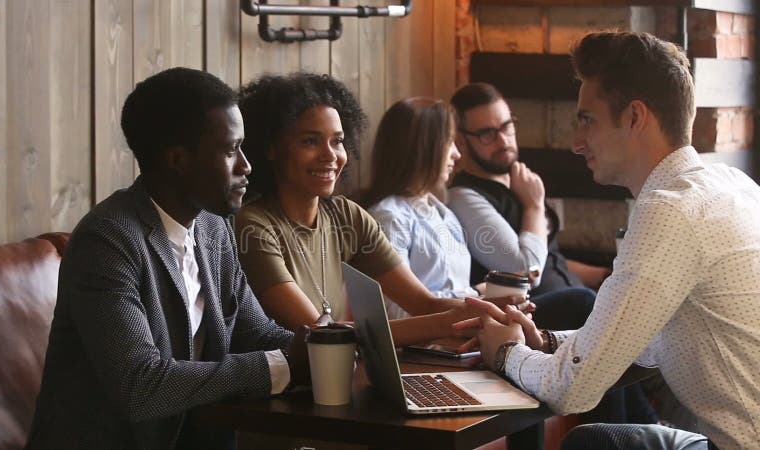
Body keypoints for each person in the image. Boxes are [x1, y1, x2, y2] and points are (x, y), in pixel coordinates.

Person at [462, 31, 760, 449]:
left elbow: (574, 389)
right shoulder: (731, 184)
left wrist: (506, 353)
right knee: (598, 440)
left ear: (635, 117)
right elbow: (649, 340)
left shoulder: (671, 212)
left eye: (587, 120)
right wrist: (544, 341)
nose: (576, 142)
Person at [27, 68, 305, 449]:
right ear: (177, 159)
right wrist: (280, 366)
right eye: (230, 150)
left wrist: (324, 347)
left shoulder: (212, 227)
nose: (246, 166)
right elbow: (139, 385)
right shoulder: (107, 241)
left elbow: (254, 334)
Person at [235, 73, 516, 346]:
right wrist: (448, 322)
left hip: (336, 381)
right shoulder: (253, 225)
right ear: (271, 148)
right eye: (310, 141)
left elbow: (424, 303)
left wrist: (487, 311)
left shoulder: (346, 216)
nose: (330, 155)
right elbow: (321, 336)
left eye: (337, 141)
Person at [362, 96, 595, 331]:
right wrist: (482, 304)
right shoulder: (390, 217)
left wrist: (482, 295)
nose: (456, 154)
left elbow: (459, 288)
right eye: (449, 142)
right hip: (444, 335)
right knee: (581, 302)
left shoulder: (443, 213)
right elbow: (394, 313)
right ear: (425, 148)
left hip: (473, 323)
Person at [448, 83, 611, 295]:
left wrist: (605, 276)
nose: (503, 141)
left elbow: (549, 259)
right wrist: (533, 206)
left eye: (507, 126)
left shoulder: (519, 184)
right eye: (487, 134)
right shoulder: (463, 198)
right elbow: (526, 270)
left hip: (572, 299)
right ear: (461, 142)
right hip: (531, 314)